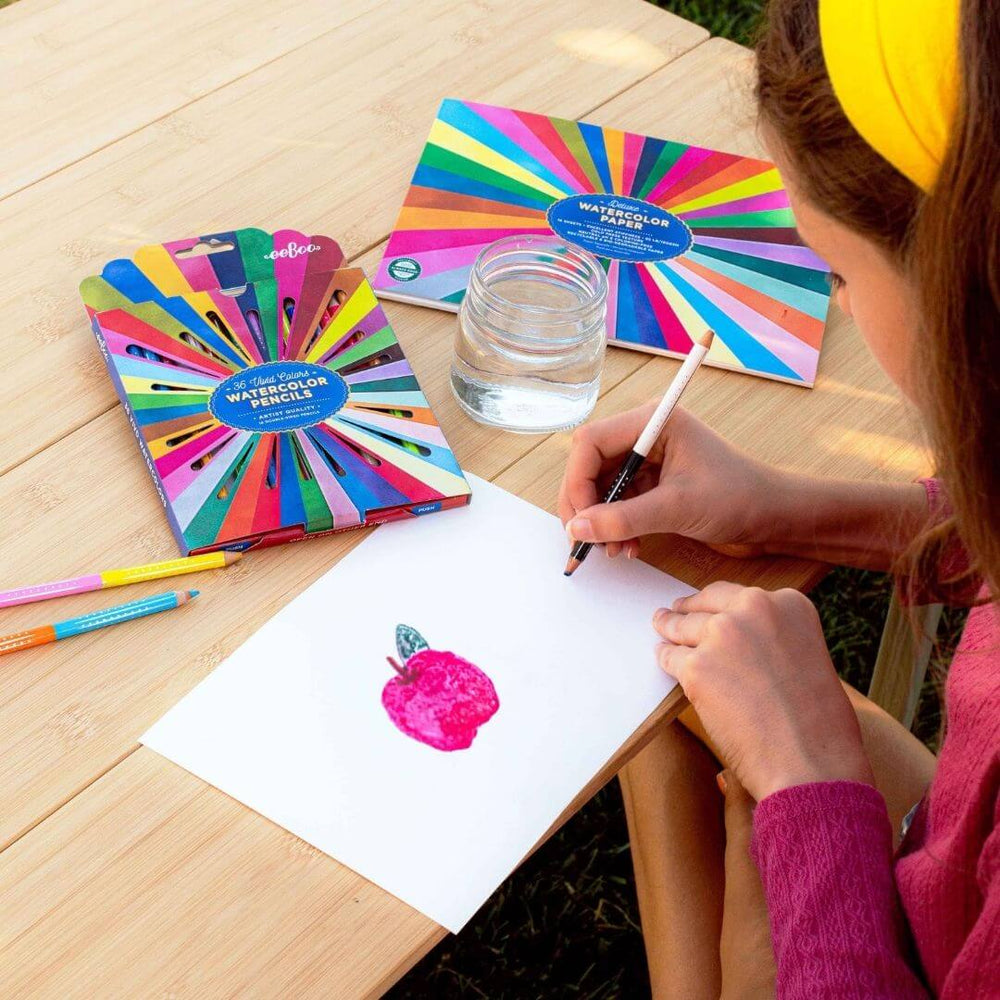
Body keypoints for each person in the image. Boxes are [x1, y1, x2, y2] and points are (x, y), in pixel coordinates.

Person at [558, 0, 998, 995]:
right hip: (947, 870)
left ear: (965, 284)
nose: (840, 303)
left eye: (839, 271)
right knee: (673, 674)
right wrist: (782, 508)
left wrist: (809, 783)